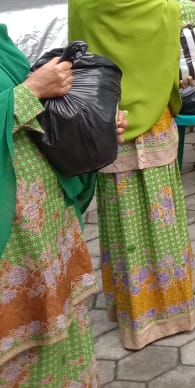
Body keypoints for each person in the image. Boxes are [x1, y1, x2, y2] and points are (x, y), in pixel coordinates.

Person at [67, 0, 195, 350]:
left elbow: (141, 27)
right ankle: (144, 314)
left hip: (144, 116)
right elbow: (154, 18)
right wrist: (177, 10)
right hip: (119, 120)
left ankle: (159, 307)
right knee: (128, 217)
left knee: (160, 212)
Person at [0, 26, 102, 384]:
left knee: (61, 331)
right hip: (10, 239)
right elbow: (21, 98)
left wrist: (87, 127)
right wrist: (31, 91)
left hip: (43, 221)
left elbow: (27, 116)